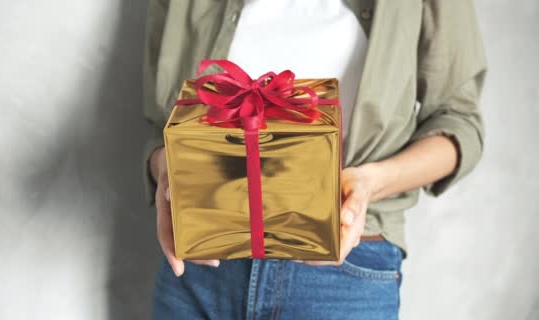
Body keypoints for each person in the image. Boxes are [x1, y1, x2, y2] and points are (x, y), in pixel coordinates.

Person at [142, 0, 487, 319]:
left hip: (345, 271)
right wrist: (168, 170)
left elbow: (458, 123)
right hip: (197, 269)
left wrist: (368, 184)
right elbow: (163, 125)